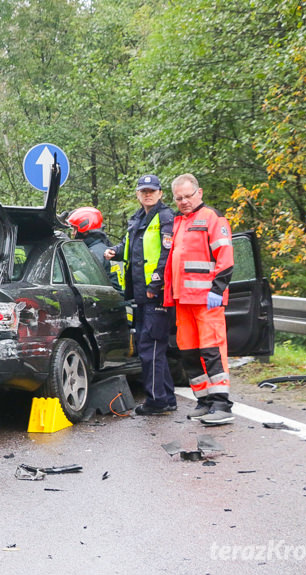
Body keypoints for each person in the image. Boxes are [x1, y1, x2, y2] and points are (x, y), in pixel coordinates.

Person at [164, 173, 235, 425]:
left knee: (212, 350)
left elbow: (225, 257)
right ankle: (204, 400)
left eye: (187, 196)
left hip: (206, 299)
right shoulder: (179, 222)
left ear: (199, 193)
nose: (183, 201)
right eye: (178, 198)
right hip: (182, 300)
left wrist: (217, 290)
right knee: (189, 352)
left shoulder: (212, 218)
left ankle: (222, 404)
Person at [104, 174, 176, 415]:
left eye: (152, 191)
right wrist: (114, 251)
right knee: (155, 347)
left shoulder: (165, 217)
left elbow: (166, 255)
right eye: (143, 191)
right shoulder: (137, 218)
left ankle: (157, 401)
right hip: (140, 295)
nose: (148, 194)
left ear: (160, 193)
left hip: (157, 293)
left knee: (150, 347)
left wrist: (155, 285)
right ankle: (167, 398)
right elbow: (131, 248)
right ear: (137, 194)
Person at [67, 207, 112, 277]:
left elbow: (88, 276)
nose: (73, 233)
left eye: (75, 229)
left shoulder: (97, 251)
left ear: (84, 231)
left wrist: (67, 251)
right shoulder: (96, 246)